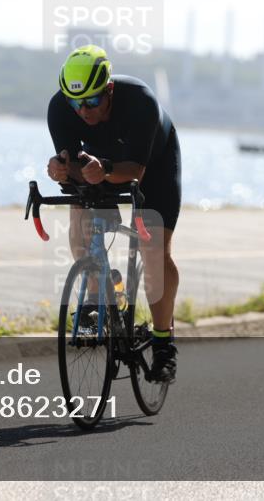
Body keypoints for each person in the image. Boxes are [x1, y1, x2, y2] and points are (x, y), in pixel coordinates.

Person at [46, 45, 182, 383]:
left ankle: (164, 343)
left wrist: (103, 169)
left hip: (152, 165)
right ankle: (98, 293)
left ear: (109, 89)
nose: (84, 112)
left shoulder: (139, 101)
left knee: (153, 252)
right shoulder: (61, 108)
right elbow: (73, 164)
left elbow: (135, 170)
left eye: (92, 102)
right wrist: (61, 170)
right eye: (77, 103)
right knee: (81, 220)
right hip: (101, 166)